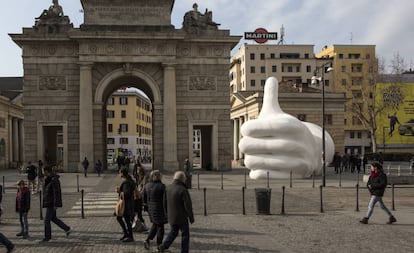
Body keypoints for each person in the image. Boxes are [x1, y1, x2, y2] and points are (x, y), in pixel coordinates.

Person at [158, 171, 194, 253]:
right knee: (185, 234)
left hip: (171, 216)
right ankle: (184, 251)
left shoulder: (168, 188)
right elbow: (188, 205)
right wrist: (191, 217)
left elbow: (164, 203)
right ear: (182, 179)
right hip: (182, 218)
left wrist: (166, 214)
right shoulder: (183, 189)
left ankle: (164, 245)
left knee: (173, 232)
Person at [41, 166, 72, 242]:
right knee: (53, 218)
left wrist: (55, 204)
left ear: (47, 171)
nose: (42, 173)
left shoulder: (54, 179)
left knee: (47, 220)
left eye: (43, 171)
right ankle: (67, 229)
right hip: (49, 201)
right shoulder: (48, 179)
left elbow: (56, 192)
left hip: (51, 203)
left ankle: (47, 237)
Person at [143, 170, 168, 250]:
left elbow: (144, 199)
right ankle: (159, 245)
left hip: (151, 209)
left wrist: (147, 208)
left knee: (155, 225)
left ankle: (147, 240)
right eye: (161, 175)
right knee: (160, 227)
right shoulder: (162, 186)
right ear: (158, 176)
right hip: (159, 209)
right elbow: (165, 200)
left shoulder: (147, 185)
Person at [116, 168, 135, 242]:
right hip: (128, 204)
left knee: (124, 220)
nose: (119, 174)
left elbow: (127, 194)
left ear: (123, 174)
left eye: (120, 173)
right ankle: (127, 234)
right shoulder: (128, 181)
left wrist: (119, 191)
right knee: (123, 219)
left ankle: (129, 235)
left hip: (126, 205)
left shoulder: (126, 183)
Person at [132, 165, 148, 232]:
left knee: (139, 214)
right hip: (137, 197)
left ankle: (144, 227)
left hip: (140, 198)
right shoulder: (138, 178)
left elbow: (144, 188)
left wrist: (139, 193)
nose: (137, 171)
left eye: (138, 170)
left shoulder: (144, 178)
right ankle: (134, 226)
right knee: (136, 213)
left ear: (141, 171)